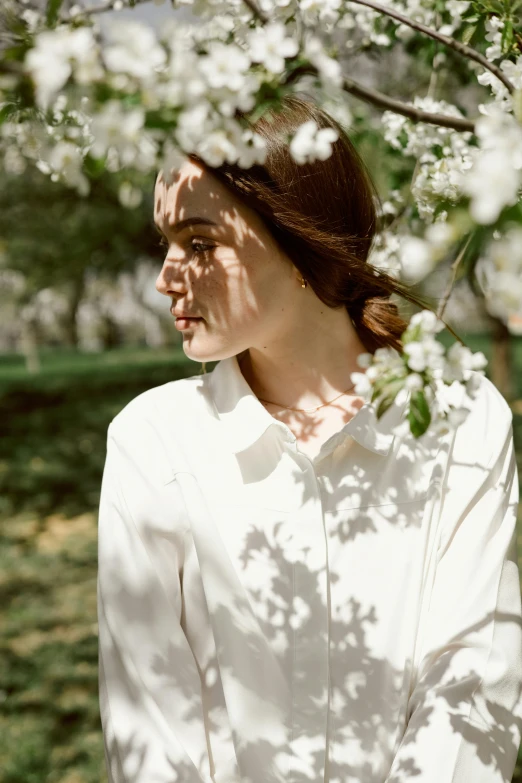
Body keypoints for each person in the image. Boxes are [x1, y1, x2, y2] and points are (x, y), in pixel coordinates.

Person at [97, 94, 522, 783]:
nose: (163, 278)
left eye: (200, 243)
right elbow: (149, 727)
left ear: (300, 242)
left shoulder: (460, 418)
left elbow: (471, 683)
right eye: (166, 242)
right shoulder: (153, 445)